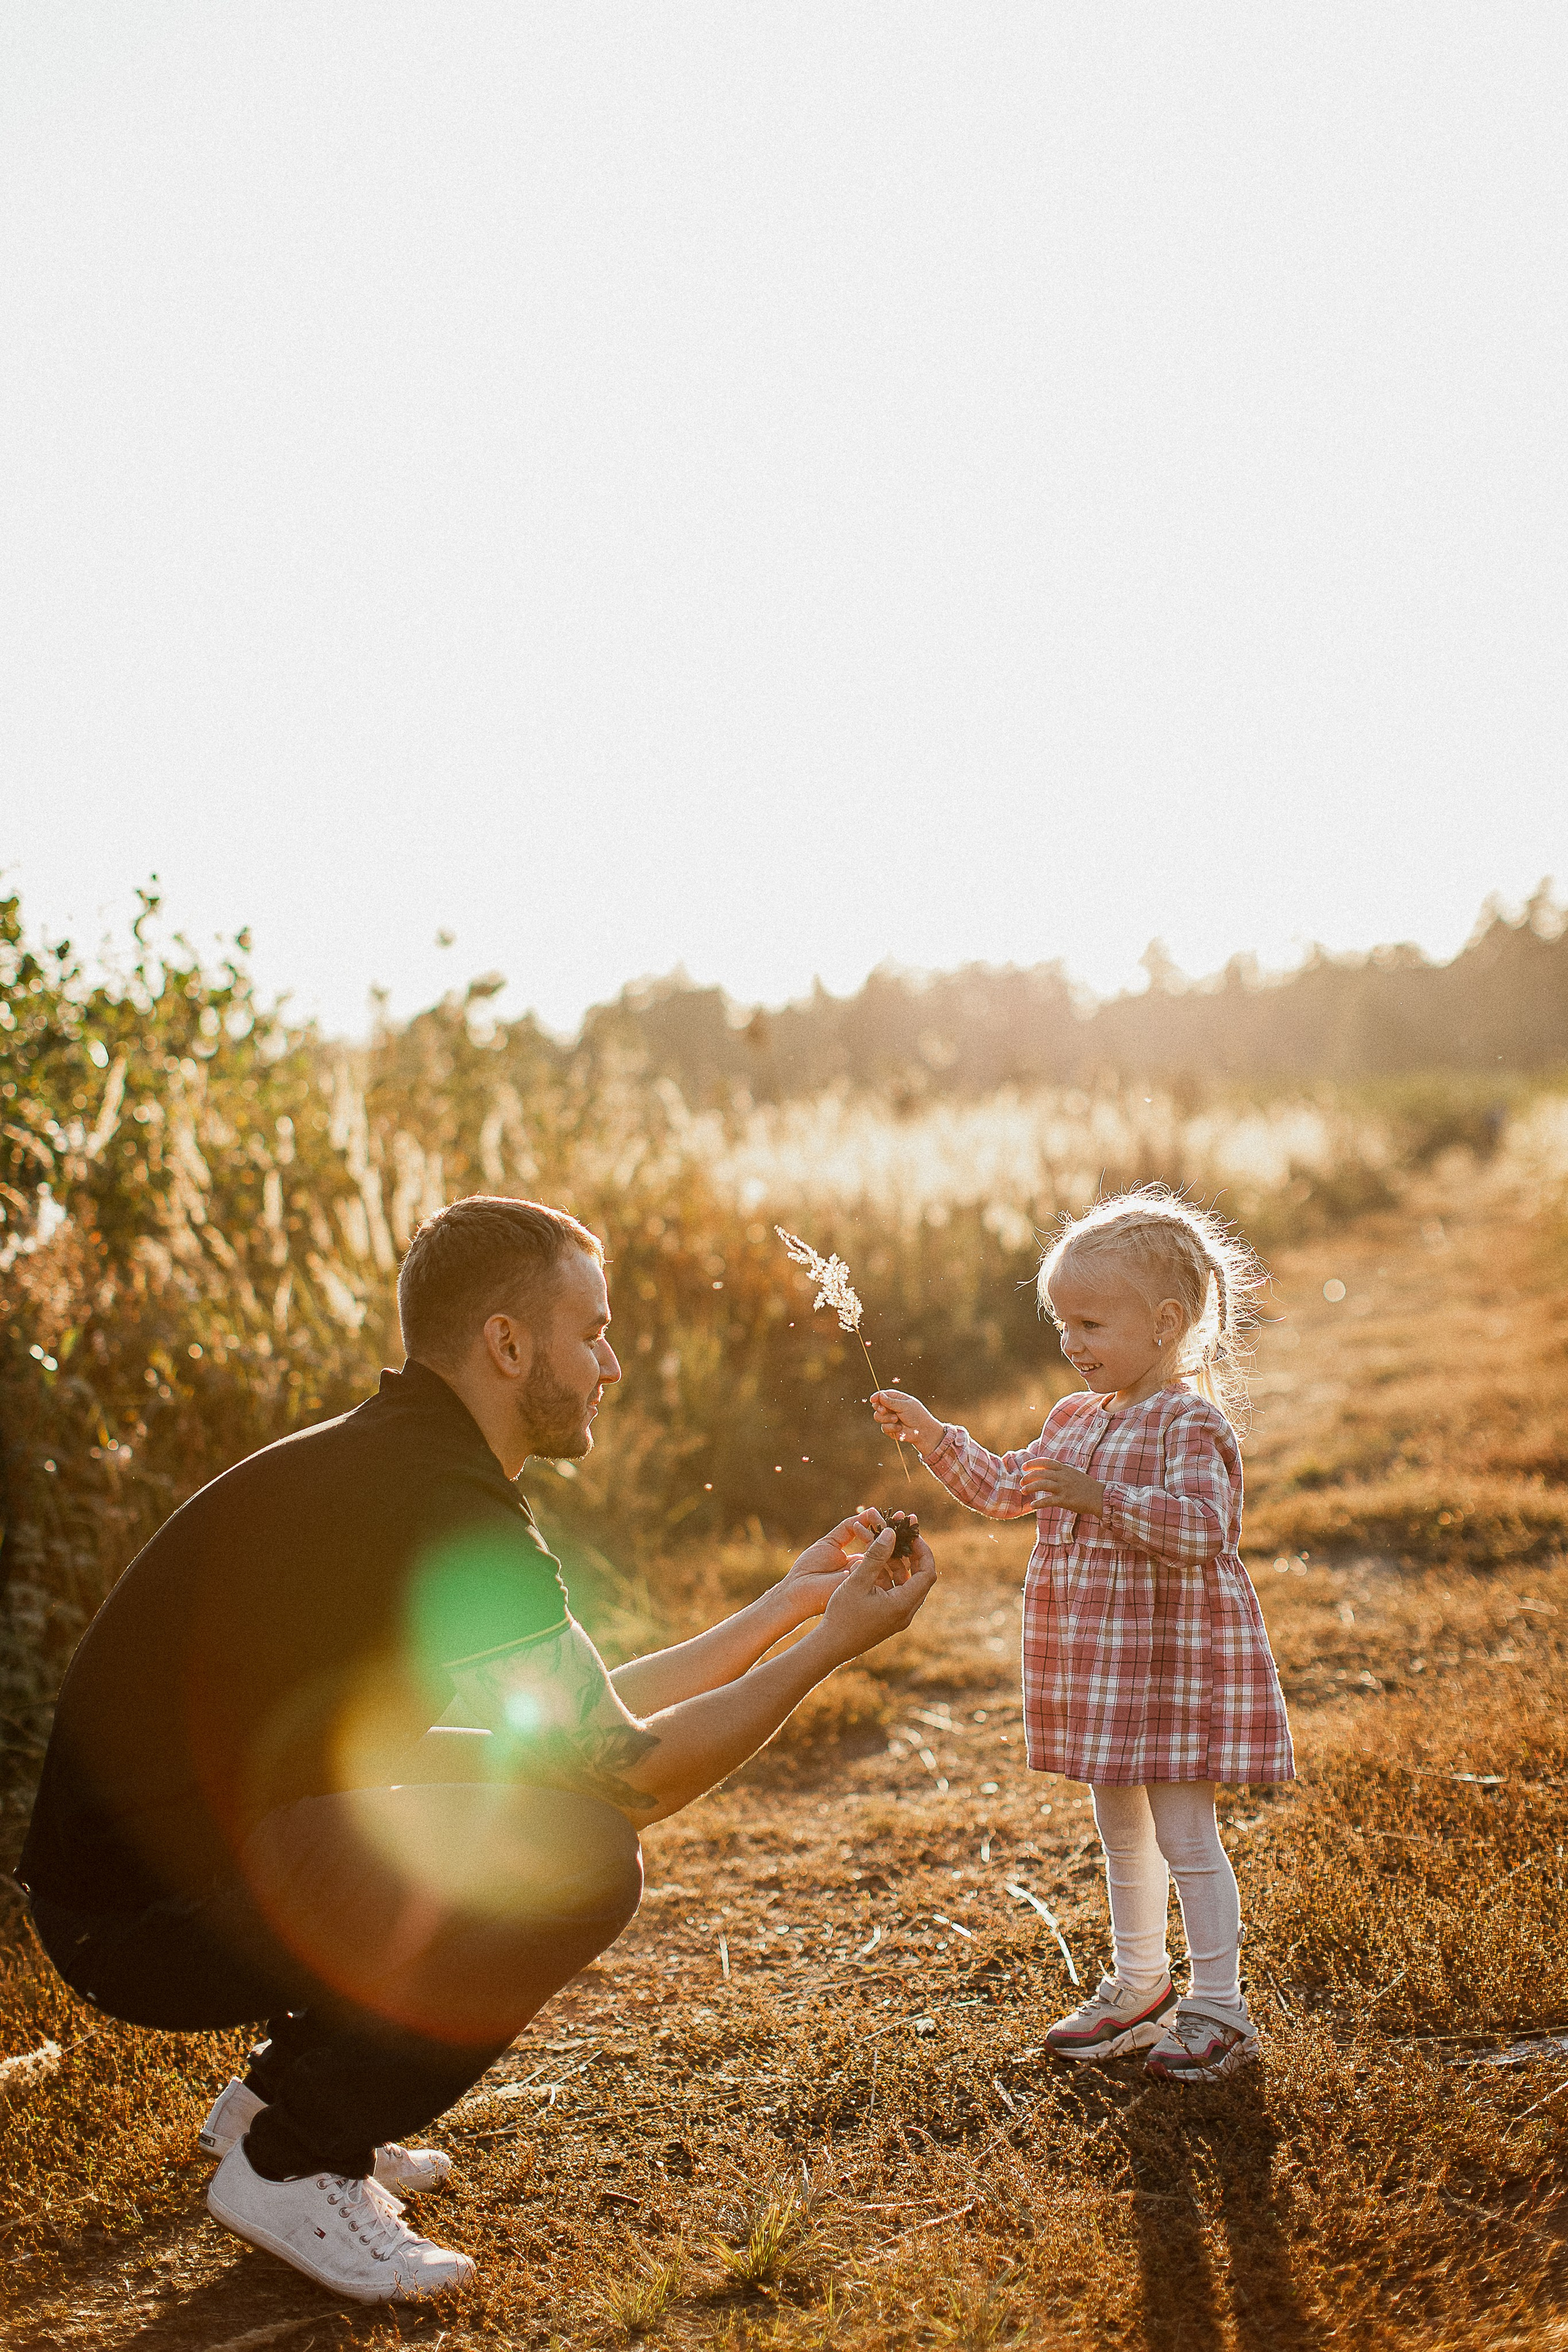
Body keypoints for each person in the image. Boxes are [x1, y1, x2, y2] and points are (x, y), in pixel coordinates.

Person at [17, 1196, 935, 2304]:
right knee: (584, 1859)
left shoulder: (406, 1464)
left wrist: (786, 1608)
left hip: (151, 1883)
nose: (612, 1364)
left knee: (501, 1782)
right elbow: (629, 1773)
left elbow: (572, 1723)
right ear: (506, 1344)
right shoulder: (444, 1504)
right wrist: (830, 1649)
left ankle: (277, 2101)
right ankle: (296, 2156)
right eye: (590, 1331)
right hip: (143, 1922)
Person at [871, 1188, 1292, 2084]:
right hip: (1100, 1672)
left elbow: (1205, 1529)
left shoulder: (1190, 1423)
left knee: (1186, 1834)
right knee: (1120, 1833)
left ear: (1166, 1323)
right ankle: (1140, 1987)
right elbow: (1001, 1488)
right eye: (1064, 1322)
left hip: (1169, 1668)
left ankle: (1220, 2007)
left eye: (1093, 1323)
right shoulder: (1073, 1418)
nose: (1073, 1342)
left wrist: (1106, 1502)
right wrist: (933, 1433)